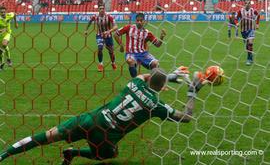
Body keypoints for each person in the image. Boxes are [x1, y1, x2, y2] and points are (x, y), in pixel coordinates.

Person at [0, 67, 211, 165]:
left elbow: (145, 76)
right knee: (108, 156)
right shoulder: (157, 105)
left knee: (47, 136)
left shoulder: (134, 82)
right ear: (163, 87)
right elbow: (186, 117)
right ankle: (72, 152)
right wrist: (192, 91)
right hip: (105, 136)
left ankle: (4, 155)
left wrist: (169, 76)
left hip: (90, 119)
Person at [114, 13, 166, 77]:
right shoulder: (128, 28)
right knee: (130, 61)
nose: (139, 22)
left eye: (141, 20)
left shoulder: (147, 33)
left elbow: (157, 45)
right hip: (131, 53)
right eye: (137, 20)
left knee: (155, 64)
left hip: (143, 53)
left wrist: (161, 37)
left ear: (144, 21)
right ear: (135, 21)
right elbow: (116, 34)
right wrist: (121, 45)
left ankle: (152, 82)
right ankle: (135, 81)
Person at [84, 4, 118, 72]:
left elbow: (116, 26)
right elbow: (90, 22)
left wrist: (109, 31)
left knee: (111, 52)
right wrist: (86, 30)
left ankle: (113, 63)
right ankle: (100, 64)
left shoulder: (109, 17)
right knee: (100, 48)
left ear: (104, 9)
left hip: (108, 36)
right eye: (100, 8)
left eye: (103, 8)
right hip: (99, 35)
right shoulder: (95, 16)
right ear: (98, 10)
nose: (102, 10)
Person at [236, 0, 260, 65]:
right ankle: (251, 56)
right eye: (246, 3)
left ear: (250, 4)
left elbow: (258, 16)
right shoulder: (240, 11)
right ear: (244, 4)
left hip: (251, 29)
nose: (247, 4)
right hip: (243, 30)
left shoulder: (253, 10)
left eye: (248, 3)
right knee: (247, 45)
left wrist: (257, 24)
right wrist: (237, 23)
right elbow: (236, 18)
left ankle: (248, 59)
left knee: (250, 43)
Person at [0, 6, 18, 70]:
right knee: (3, 48)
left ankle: (4, 62)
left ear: (6, 12)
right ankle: (6, 61)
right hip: (0, 35)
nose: (3, 13)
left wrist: (16, 23)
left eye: (4, 12)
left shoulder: (9, 15)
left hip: (7, 33)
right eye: (1, 12)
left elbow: (15, 14)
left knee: (4, 45)